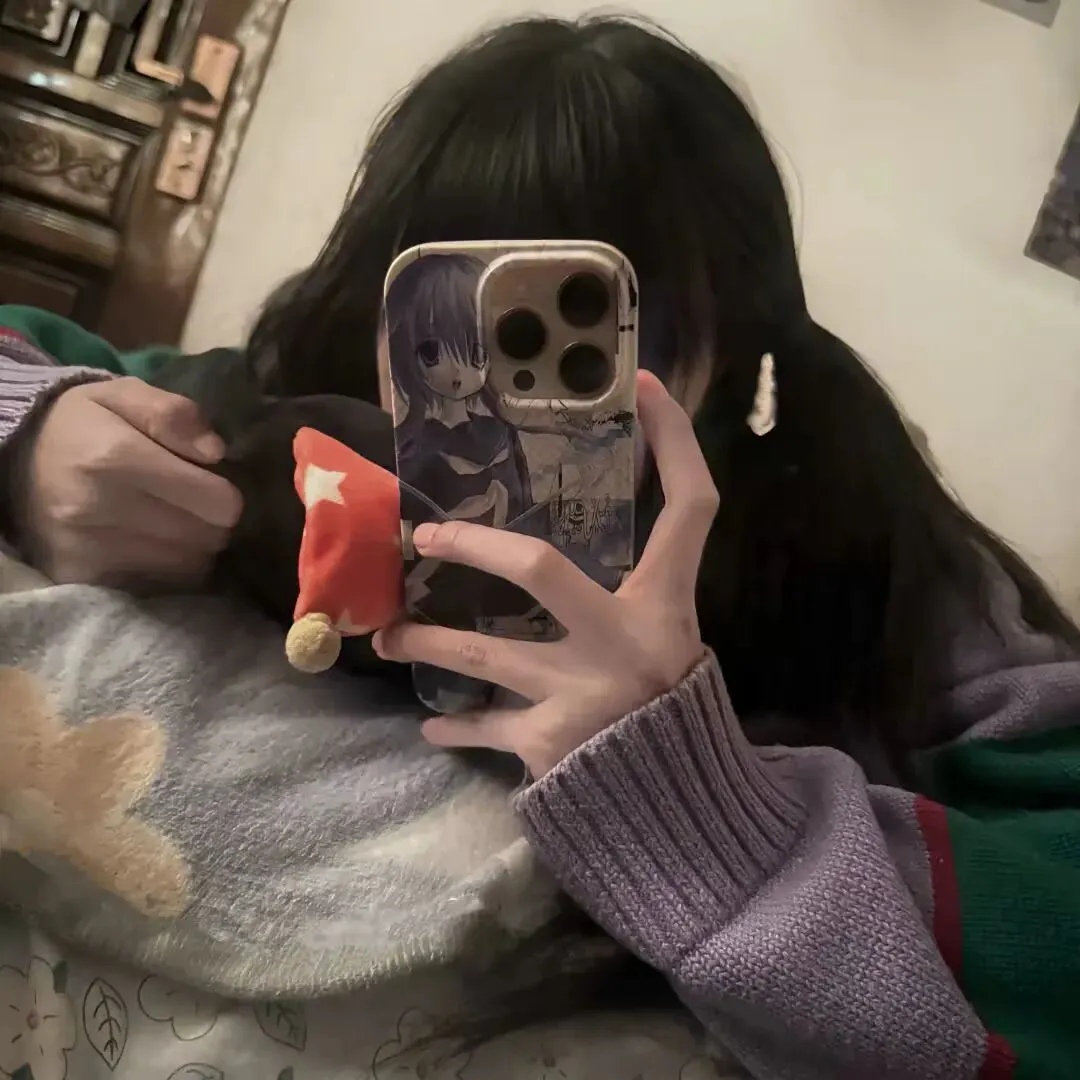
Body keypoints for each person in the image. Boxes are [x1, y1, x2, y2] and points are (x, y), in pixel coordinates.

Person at [0, 13, 1078, 1080]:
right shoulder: (297, 435)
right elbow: (40, 357)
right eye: (448, 320)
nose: (505, 400)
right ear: (376, 302)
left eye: (592, 335)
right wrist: (33, 431)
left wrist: (710, 810)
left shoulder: (860, 549)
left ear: (729, 348)